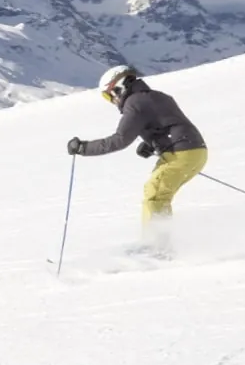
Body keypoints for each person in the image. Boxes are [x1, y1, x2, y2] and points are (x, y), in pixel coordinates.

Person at [67, 65, 208, 250]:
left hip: (180, 153)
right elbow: (167, 123)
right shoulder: (157, 96)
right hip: (194, 151)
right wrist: (152, 144)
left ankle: (156, 249)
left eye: (109, 95)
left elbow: (119, 140)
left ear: (119, 87)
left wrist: (83, 148)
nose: (113, 101)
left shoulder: (135, 103)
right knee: (159, 195)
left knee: (154, 194)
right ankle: (161, 245)